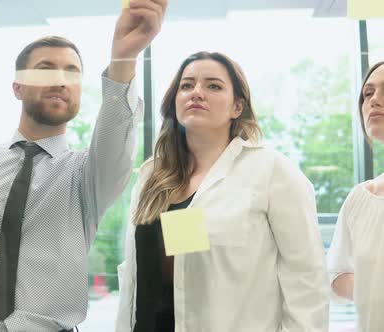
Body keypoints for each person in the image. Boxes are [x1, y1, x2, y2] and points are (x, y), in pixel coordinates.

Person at [0, 1, 167, 331]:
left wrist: (123, 57)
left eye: (72, 72)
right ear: (17, 86)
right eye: (45, 69)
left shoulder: (87, 176)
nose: (60, 80)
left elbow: (117, 129)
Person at [115, 51, 329, 332]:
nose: (197, 93)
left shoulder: (272, 171)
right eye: (187, 85)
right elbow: (165, 272)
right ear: (174, 101)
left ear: (237, 107)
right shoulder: (153, 175)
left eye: (213, 86)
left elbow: (306, 281)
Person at [326, 60, 384, 331]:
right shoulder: (361, 197)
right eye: (368, 93)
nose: (374, 101)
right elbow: (336, 273)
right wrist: (371, 289)